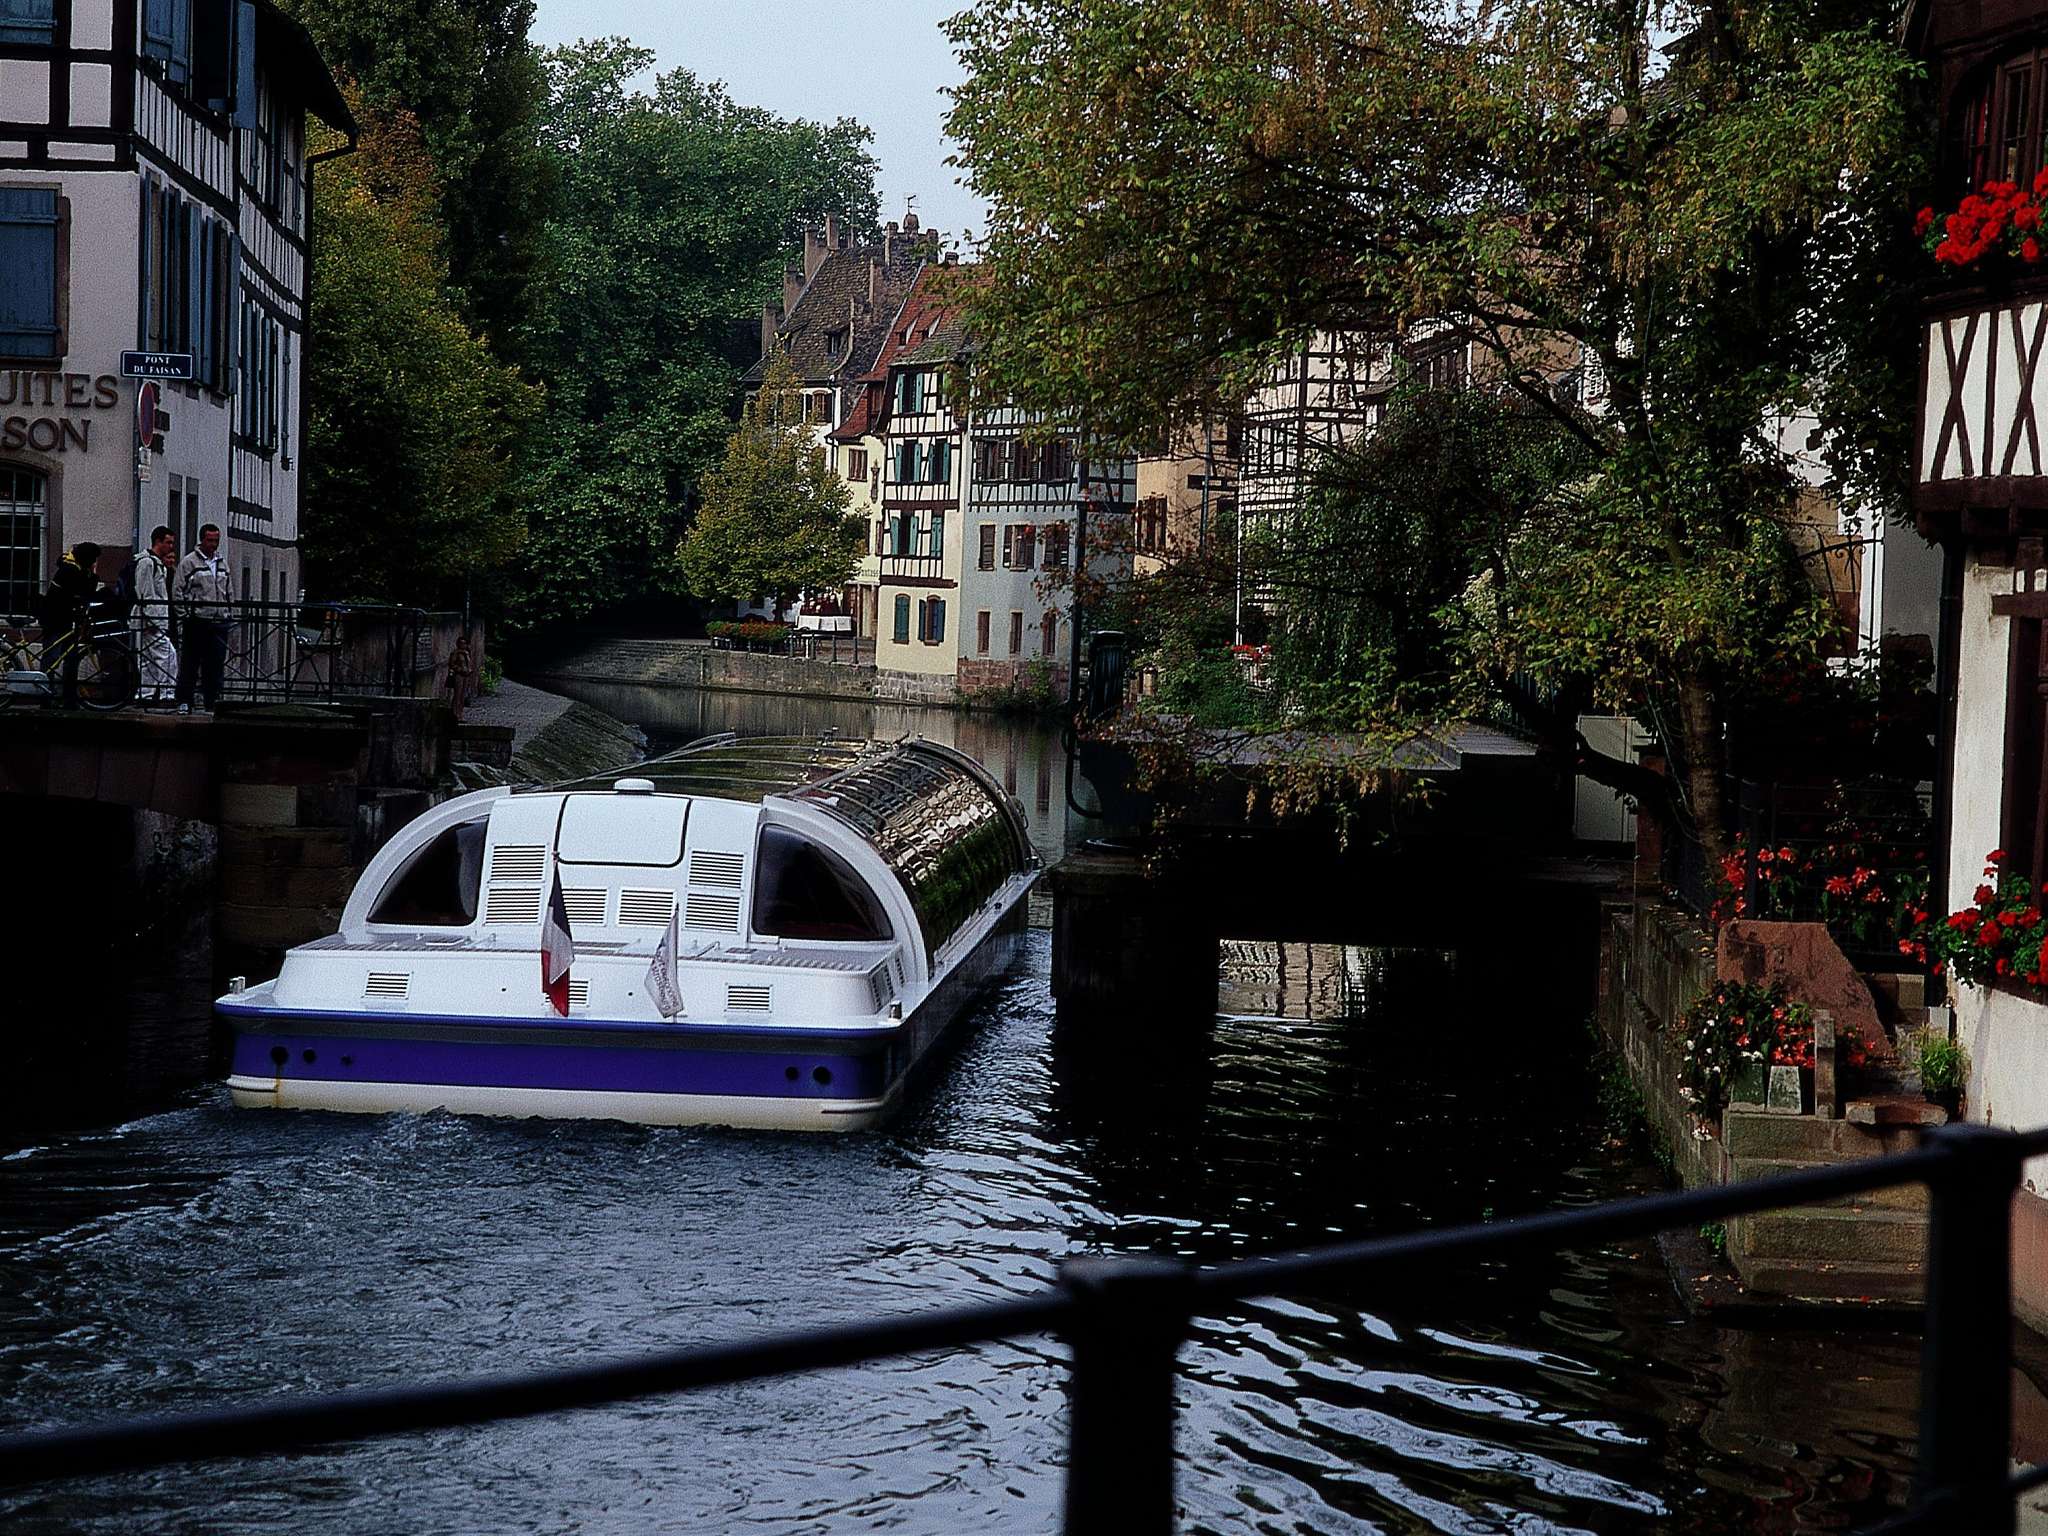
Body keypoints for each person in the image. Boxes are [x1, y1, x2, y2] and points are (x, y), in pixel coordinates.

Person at [173, 523, 232, 714]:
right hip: (197, 620)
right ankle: (185, 700)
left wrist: (228, 612)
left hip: (219, 621)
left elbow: (228, 590)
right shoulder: (190, 562)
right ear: (202, 540)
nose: (213, 545)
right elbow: (178, 590)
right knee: (190, 662)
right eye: (210, 540)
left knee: (214, 664)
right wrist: (186, 615)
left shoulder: (222, 563)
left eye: (216, 540)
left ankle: (211, 700)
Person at [38, 542, 101, 707]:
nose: (95, 562)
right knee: (52, 657)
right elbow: (86, 593)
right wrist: (94, 574)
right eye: (94, 559)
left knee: (68, 657)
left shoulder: (71, 566)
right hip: (56, 620)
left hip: (63, 619)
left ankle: (66, 697)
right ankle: (46, 697)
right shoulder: (71, 570)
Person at [133, 525, 177, 707]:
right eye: (168, 542)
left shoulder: (154, 562)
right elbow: (146, 593)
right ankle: (167, 694)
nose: (171, 547)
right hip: (151, 619)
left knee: (149, 659)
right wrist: (154, 619)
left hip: (153, 618)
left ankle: (146, 694)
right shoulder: (147, 563)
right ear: (158, 541)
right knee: (168, 655)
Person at [446, 632, 476, 720]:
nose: (463, 645)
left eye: (464, 643)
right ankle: (454, 713)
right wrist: (460, 670)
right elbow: (452, 664)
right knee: (457, 695)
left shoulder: (467, 653)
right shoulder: (456, 653)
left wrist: (469, 670)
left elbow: (469, 664)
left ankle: (460, 714)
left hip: (466, 675)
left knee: (463, 696)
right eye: (461, 643)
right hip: (458, 675)